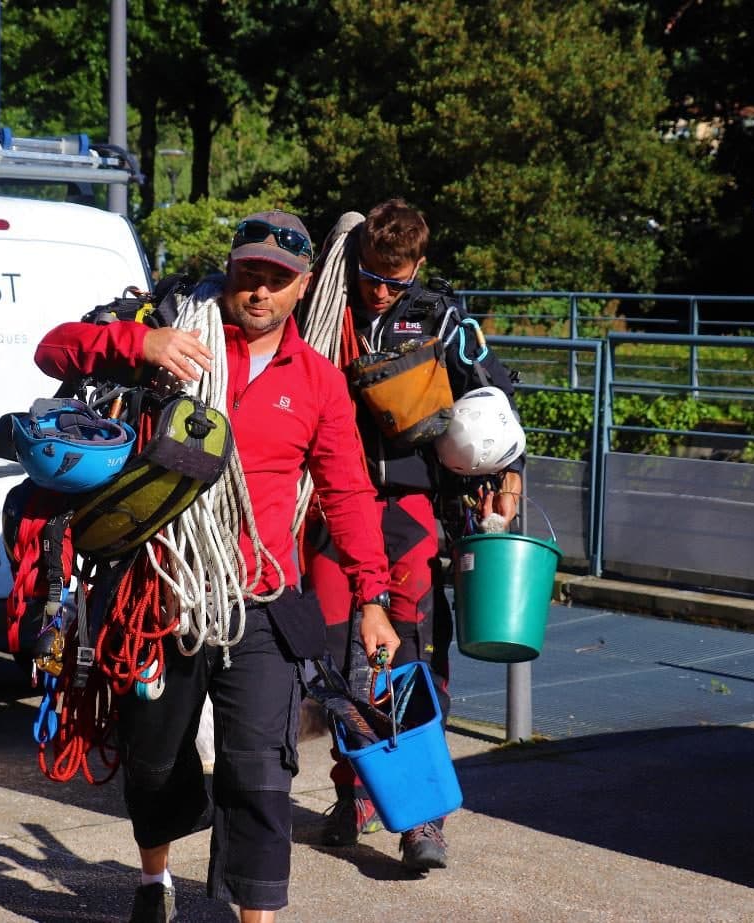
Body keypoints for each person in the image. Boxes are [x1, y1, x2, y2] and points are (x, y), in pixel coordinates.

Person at [34, 210, 401, 923]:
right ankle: (155, 877)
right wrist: (141, 341)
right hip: (164, 591)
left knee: (262, 769)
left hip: (261, 598)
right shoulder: (174, 333)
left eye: (278, 280)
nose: (260, 292)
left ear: (303, 290)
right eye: (249, 275)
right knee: (153, 757)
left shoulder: (319, 382)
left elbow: (349, 491)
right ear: (230, 274)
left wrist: (372, 597)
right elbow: (53, 351)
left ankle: (254, 914)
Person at [298, 198, 525, 870]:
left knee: (414, 655)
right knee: (338, 657)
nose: (379, 292)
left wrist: (509, 478)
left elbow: (494, 396)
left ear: (418, 267)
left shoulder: (440, 315)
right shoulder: (324, 309)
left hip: (411, 507)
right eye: (371, 275)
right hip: (333, 509)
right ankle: (352, 793)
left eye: (395, 281)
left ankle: (423, 818)